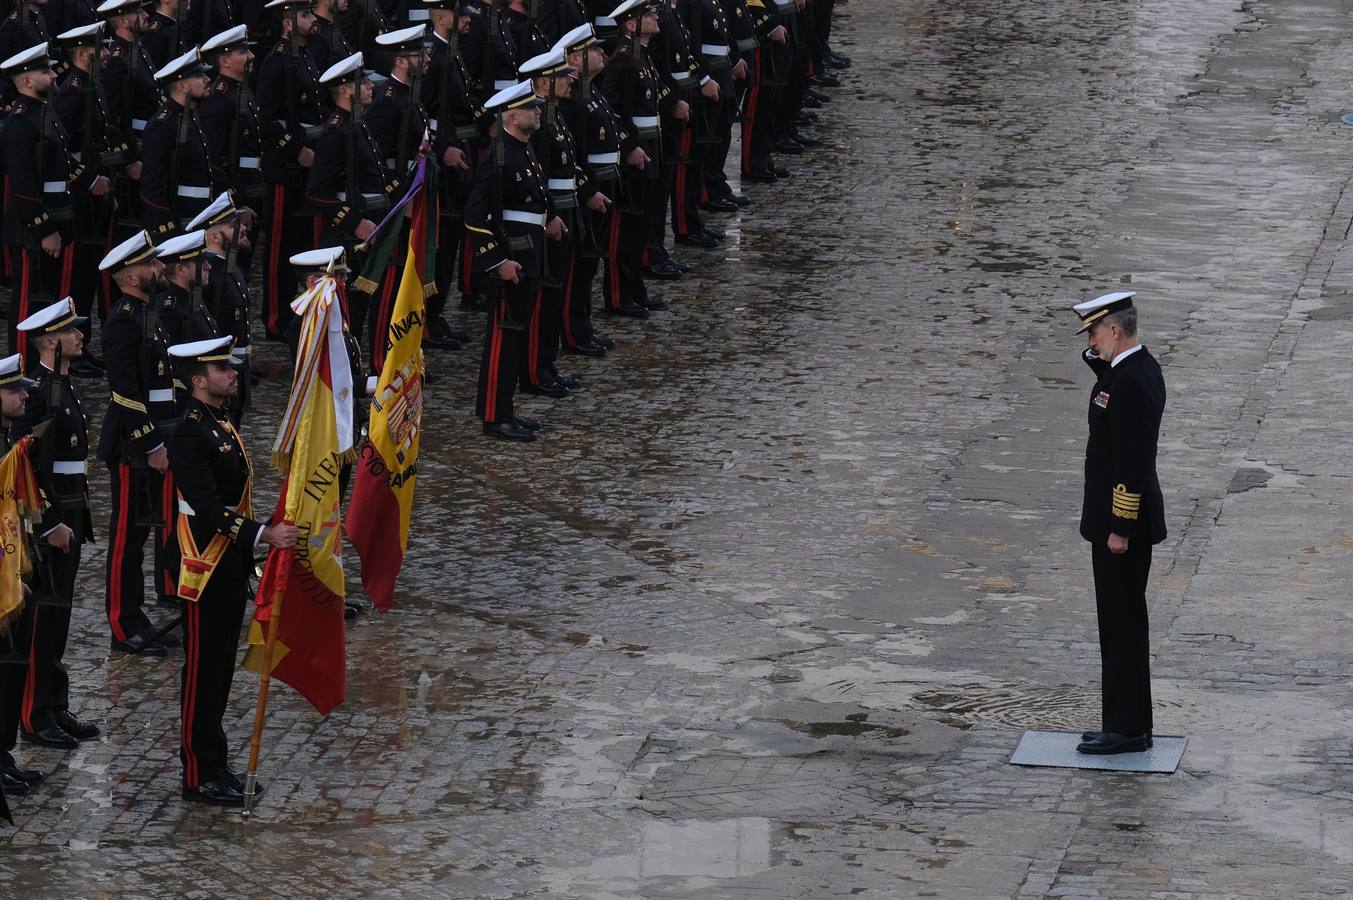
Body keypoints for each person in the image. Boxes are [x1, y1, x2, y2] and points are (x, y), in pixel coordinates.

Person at [165, 335, 297, 806]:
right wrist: (263, 535)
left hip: (227, 563)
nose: (232, 374)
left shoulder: (218, 422)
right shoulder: (187, 432)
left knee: (219, 670)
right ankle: (198, 774)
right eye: (223, 370)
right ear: (199, 381)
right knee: (202, 672)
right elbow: (203, 506)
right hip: (203, 564)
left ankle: (215, 763)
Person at [1072, 291, 1167, 756]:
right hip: (1116, 520)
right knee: (1119, 622)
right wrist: (1098, 355)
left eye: (1094, 332)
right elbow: (1104, 377)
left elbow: (1131, 460)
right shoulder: (1132, 368)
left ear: (1114, 330)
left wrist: (1121, 527)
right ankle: (1128, 723)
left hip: (1121, 525)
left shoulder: (1129, 382)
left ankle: (1127, 730)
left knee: (1123, 625)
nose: (1091, 341)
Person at [10, 298, 98, 751]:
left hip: (72, 510)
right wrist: (45, 526)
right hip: (50, 518)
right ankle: (34, 712)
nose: (81, 336)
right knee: (44, 616)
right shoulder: (38, 394)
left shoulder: (62, 385)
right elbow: (23, 467)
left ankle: (54, 702)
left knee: (60, 615)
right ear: (49, 341)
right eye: (71, 331)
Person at [97, 230, 181, 655]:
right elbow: (125, 391)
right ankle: (120, 621)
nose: (159, 269)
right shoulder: (123, 322)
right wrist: (151, 444)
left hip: (158, 438)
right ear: (131, 277)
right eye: (150, 265)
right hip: (134, 446)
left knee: (143, 534)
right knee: (126, 537)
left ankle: (137, 614)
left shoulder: (149, 314)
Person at [464, 78, 552, 441]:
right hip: (511, 260)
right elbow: (474, 217)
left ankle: (506, 406)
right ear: (512, 116)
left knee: (516, 337)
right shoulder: (498, 157)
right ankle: (493, 414)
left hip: (530, 252)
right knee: (503, 338)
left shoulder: (523, 148)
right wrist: (497, 261)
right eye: (530, 108)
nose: (537, 112)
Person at [0, 353, 42, 798]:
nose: (23, 395)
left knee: (11, 667)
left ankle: (2, 753)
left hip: (8, 568)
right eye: (14, 390)